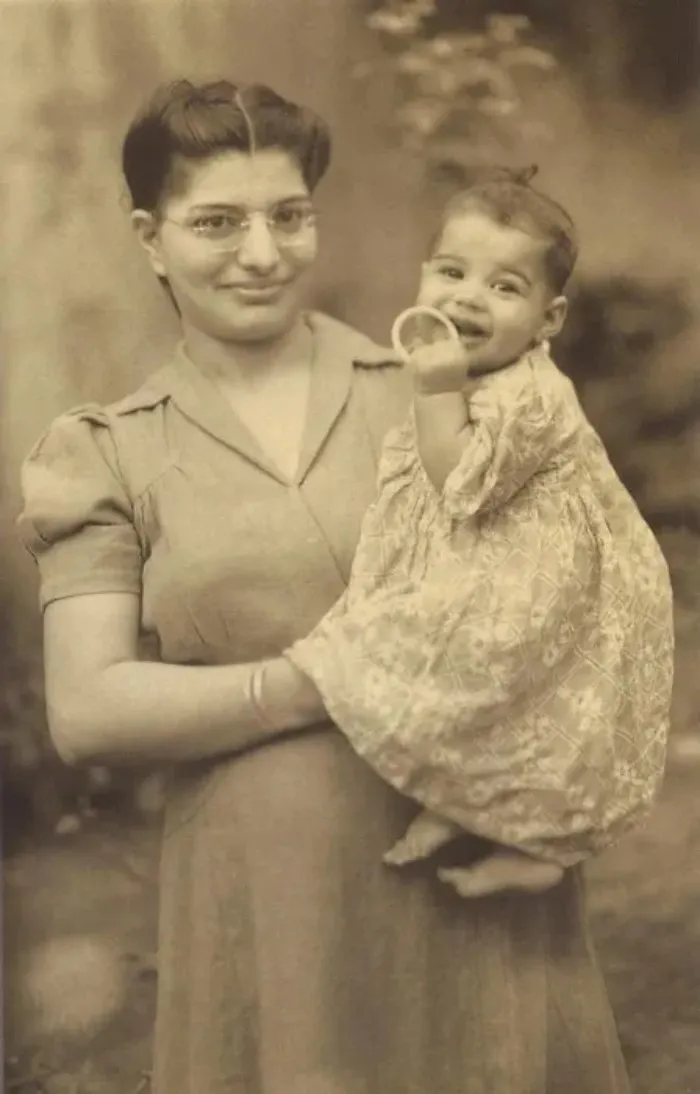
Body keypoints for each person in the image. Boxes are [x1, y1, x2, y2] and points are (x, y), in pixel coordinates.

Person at [18, 78, 638, 1094]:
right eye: (218, 222)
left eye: (289, 215)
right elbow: (89, 709)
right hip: (267, 895)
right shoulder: (104, 451)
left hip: (469, 864)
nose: (262, 252)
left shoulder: (443, 396)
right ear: (149, 237)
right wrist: (319, 681)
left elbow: (572, 590)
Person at [287, 167, 675, 899]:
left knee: (485, 669)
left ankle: (537, 845)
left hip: (547, 583)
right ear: (423, 275)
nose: (468, 297)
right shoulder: (477, 373)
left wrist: (435, 389)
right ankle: (463, 799)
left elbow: (459, 481)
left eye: (504, 286)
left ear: (547, 320)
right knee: (467, 671)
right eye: (451, 272)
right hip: (503, 554)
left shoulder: (531, 395)